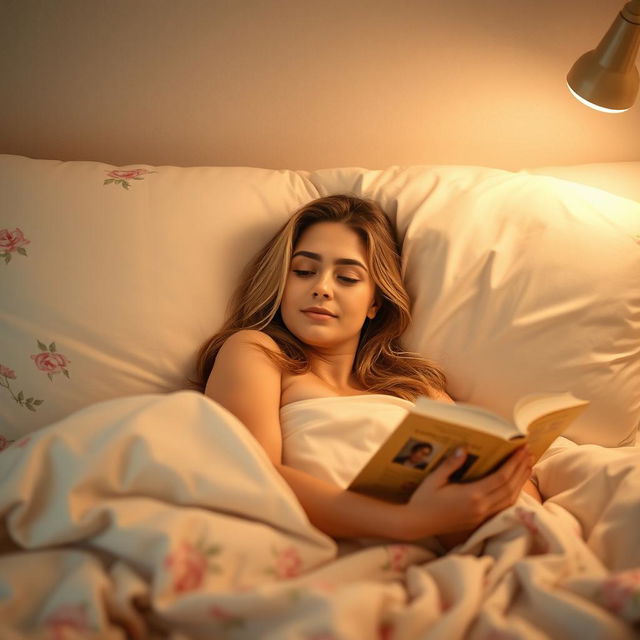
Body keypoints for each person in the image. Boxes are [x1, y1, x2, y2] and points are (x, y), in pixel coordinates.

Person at [193, 195, 541, 547]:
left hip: (445, 551)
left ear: (375, 301)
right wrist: (405, 521)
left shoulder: (414, 386)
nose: (322, 288)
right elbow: (250, 475)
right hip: (328, 548)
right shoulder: (255, 351)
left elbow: (510, 488)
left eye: (346, 277)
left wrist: (476, 505)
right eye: (303, 271)